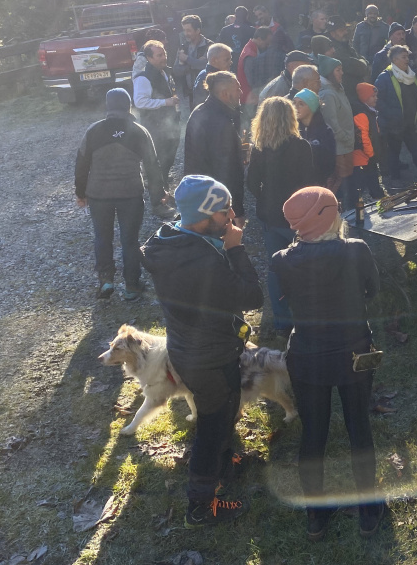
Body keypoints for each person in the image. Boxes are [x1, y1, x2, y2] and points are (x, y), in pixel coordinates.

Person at [140, 175, 264, 526]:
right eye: (226, 211)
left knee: (226, 411)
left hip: (190, 348)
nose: (233, 217)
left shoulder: (170, 239)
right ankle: (200, 505)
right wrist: (236, 250)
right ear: (204, 215)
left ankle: (226, 465)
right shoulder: (202, 262)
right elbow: (252, 296)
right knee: (212, 425)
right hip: (208, 356)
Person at [270, 186, 384, 540]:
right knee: (359, 428)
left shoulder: (281, 259)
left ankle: (316, 517)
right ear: (330, 215)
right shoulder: (357, 250)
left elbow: (282, 309)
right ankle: (368, 511)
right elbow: (373, 291)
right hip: (353, 352)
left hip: (307, 355)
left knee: (313, 435)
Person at [75, 88, 170, 300]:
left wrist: (80, 192)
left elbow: (81, 164)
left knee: (102, 237)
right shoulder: (138, 130)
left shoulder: (93, 131)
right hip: (130, 194)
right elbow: (152, 165)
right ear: (129, 106)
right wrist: (159, 192)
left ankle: (106, 282)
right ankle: (132, 286)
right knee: (130, 240)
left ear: (108, 106)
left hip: (99, 195)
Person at [247, 96, 319, 336]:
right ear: (290, 118)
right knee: (304, 265)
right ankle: (307, 317)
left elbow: (251, 182)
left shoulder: (260, 148)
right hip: (297, 217)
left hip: (270, 215)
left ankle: (282, 321)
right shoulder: (301, 146)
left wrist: (265, 197)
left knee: (276, 266)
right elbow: (309, 185)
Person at [184, 71, 245, 224]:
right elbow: (227, 170)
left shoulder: (198, 111)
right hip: (216, 200)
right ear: (225, 94)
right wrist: (236, 210)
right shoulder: (221, 123)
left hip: (199, 193)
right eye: (237, 89)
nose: (241, 92)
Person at [374, 45, 417, 180]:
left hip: (411, 123)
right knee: (393, 154)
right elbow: (377, 100)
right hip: (393, 125)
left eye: (407, 56)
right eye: (403, 57)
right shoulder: (384, 78)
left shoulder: (413, 75)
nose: (407, 60)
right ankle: (395, 181)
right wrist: (392, 116)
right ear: (394, 59)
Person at [133, 40, 180, 177]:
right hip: (154, 125)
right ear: (149, 58)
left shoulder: (165, 72)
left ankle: (162, 177)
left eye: (164, 54)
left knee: (170, 152)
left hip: (170, 123)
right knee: (159, 156)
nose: (164, 57)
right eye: (159, 55)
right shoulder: (143, 78)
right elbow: (140, 102)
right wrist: (165, 102)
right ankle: (157, 185)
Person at [317, 57, 356, 196]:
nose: (342, 73)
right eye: (338, 70)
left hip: (346, 145)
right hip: (339, 148)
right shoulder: (328, 94)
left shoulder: (337, 89)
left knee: (348, 184)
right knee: (340, 187)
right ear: (329, 72)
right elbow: (331, 123)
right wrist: (345, 137)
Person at [350, 82, 385, 211]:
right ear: (365, 98)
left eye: (376, 96)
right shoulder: (361, 113)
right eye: (372, 96)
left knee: (371, 179)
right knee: (364, 182)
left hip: (367, 157)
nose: (376, 98)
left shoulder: (368, 111)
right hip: (363, 158)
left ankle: (378, 199)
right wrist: (371, 154)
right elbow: (363, 136)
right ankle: (362, 206)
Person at [294, 88, 337, 183]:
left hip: (318, 184)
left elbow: (330, 162)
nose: (295, 107)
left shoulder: (325, 131)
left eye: (301, 104)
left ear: (312, 107)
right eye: (294, 103)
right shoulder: (292, 130)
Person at [238, 27, 280, 121]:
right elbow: (252, 81)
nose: (268, 46)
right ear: (259, 39)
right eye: (267, 43)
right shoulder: (250, 55)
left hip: (250, 97)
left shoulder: (250, 49)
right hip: (250, 99)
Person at [173, 15, 212, 111]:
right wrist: (194, 64)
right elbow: (176, 70)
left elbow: (205, 66)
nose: (186, 34)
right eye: (184, 30)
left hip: (207, 92)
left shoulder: (209, 46)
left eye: (189, 30)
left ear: (198, 30)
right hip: (189, 94)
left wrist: (186, 59)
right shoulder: (183, 47)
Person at [193, 43, 234, 108]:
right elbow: (201, 107)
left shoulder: (223, 76)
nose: (231, 62)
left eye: (230, 59)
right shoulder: (204, 78)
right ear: (214, 60)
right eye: (227, 59)